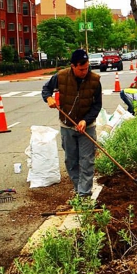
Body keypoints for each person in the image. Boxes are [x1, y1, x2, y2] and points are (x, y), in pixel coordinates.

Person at [41, 49, 103, 197]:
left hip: (87, 127)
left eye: (86, 68)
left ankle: (84, 193)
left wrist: (85, 120)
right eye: (81, 69)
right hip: (67, 126)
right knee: (71, 160)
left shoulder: (95, 80)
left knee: (87, 161)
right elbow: (46, 89)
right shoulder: (61, 77)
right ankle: (78, 188)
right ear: (73, 66)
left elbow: (97, 105)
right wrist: (48, 98)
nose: (84, 72)